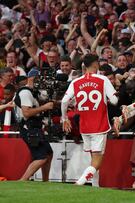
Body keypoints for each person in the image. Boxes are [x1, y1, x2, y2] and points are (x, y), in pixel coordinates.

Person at [61, 54, 118, 186]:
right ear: (95, 64)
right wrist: (105, 98)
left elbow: (64, 101)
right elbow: (115, 100)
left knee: (92, 158)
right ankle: (80, 183)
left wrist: (64, 118)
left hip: (85, 126)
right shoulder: (103, 79)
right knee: (97, 160)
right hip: (99, 125)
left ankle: (95, 187)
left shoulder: (75, 82)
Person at [15, 68, 54, 181]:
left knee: (48, 153)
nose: (40, 82)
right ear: (30, 79)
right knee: (41, 157)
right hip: (29, 128)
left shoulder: (33, 92)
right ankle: (22, 181)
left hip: (35, 127)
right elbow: (26, 112)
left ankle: (45, 182)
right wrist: (45, 107)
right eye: (37, 79)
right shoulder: (25, 92)